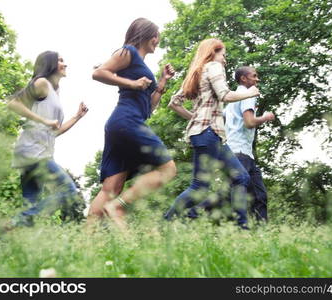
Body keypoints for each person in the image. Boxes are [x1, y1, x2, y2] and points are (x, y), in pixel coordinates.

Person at [87, 18, 176, 229]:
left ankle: (85, 245)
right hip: (126, 120)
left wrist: (162, 82)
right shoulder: (127, 52)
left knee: (111, 188)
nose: (157, 40)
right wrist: (132, 83)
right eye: (156, 36)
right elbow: (98, 73)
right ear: (147, 35)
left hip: (125, 122)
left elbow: (149, 109)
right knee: (168, 169)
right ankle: (118, 207)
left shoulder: (141, 65)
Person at [163, 38, 260, 229]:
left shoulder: (197, 71)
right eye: (223, 54)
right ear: (214, 52)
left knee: (241, 177)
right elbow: (225, 95)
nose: (224, 60)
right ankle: (167, 221)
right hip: (208, 133)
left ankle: (243, 228)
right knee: (200, 186)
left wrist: (196, 118)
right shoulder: (214, 66)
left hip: (210, 133)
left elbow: (174, 102)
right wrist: (251, 92)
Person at [7, 51, 88, 227]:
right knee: (69, 191)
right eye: (60, 60)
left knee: (31, 205)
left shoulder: (54, 91)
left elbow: (54, 131)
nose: (65, 64)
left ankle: (6, 240)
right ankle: (16, 222)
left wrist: (77, 117)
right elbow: (13, 103)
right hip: (33, 151)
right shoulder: (42, 83)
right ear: (50, 64)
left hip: (37, 151)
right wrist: (43, 120)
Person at [224, 66, 275, 222]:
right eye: (254, 76)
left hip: (241, 153)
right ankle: (196, 213)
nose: (257, 79)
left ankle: (260, 235)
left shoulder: (233, 99)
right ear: (243, 79)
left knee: (259, 196)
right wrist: (265, 117)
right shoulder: (248, 94)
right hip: (239, 153)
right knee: (238, 195)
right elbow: (249, 122)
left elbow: (223, 118)